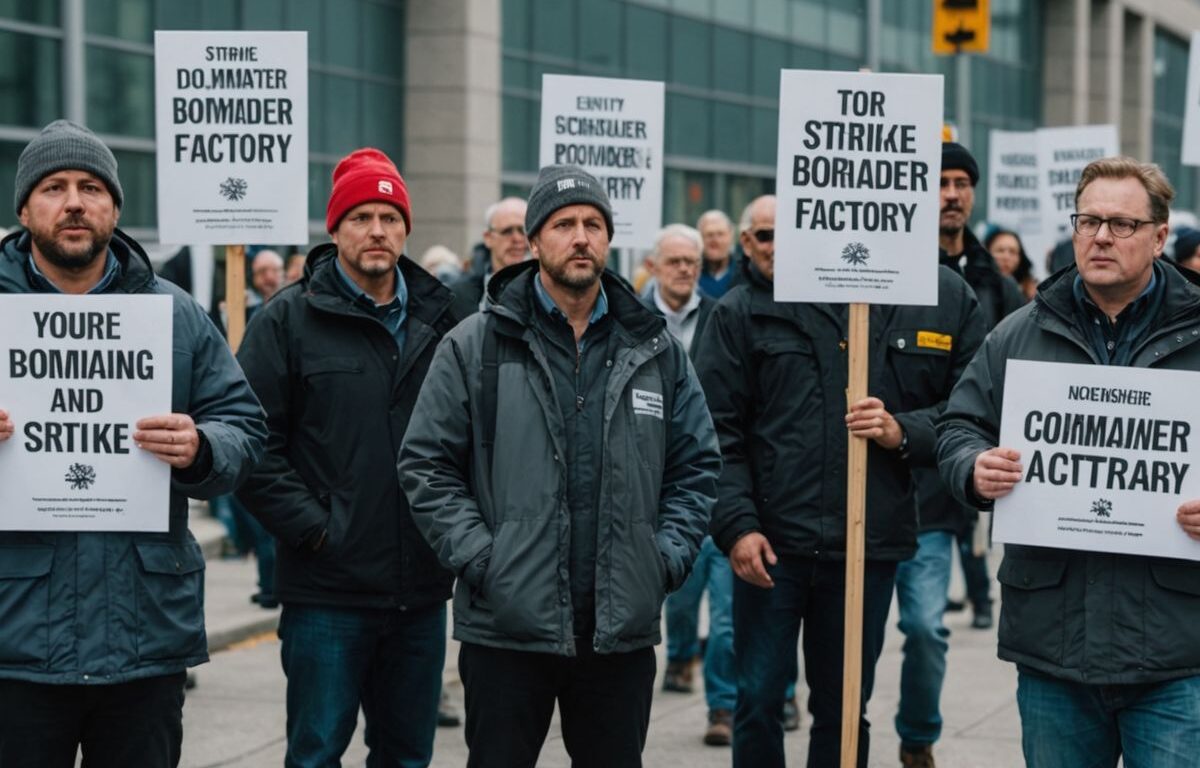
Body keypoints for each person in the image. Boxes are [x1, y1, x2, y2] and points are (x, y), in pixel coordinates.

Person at [398, 164, 721, 768]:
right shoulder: (475, 346)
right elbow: (426, 464)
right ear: (535, 239)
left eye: (594, 224)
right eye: (565, 224)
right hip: (506, 626)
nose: (581, 237)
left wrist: (664, 557)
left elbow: (696, 465)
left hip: (618, 628)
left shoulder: (655, 351)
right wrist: (482, 560)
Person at [0, 119, 266, 767]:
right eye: (54, 187)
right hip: (15, 638)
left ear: (115, 208)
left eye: (91, 187)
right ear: (24, 208)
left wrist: (200, 446)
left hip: (142, 637)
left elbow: (246, 429)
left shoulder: (174, 314)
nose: (73, 202)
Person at [695, 194, 984, 768]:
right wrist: (736, 526)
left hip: (867, 544)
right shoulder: (746, 309)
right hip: (771, 546)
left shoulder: (942, 296)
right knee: (755, 698)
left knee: (846, 705)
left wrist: (903, 430)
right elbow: (712, 432)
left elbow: (972, 411)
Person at [938, 156, 1200, 768]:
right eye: (1088, 221)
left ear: (1160, 237)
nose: (1101, 236)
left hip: (1175, 651)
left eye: (1121, 224)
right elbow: (959, 425)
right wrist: (974, 468)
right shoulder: (1016, 334)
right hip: (1054, 648)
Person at [235, 148, 459, 767]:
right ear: (334, 230)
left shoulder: (444, 319)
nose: (377, 230)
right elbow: (252, 443)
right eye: (361, 216)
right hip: (326, 592)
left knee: (408, 756)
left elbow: (471, 436)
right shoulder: (287, 320)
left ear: (406, 227)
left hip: (420, 590)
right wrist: (314, 529)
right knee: (315, 754)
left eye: (389, 216)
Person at [640, 223, 732, 745]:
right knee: (679, 590)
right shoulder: (628, 318)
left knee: (726, 616)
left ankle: (722, 705)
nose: (684, 270)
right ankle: (678, 657)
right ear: (653, 266)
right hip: (653, 482)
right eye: (674, 261)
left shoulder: (722, 319)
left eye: (692, 262)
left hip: (713, 478)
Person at [449, 197, 529, 318]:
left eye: (523, 231)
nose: (517, 239)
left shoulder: (546, 291)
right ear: (488, 237)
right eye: (507, 231)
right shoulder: (458, 296)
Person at [696, 209, 741, 299]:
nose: (715, 241)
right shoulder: (691, 274)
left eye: (720, 234)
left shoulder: (745, 273)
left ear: (731, 237)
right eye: (709, 235)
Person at [985, 228, 1037, 302]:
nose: (1006, 257)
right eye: (1000, 250)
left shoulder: (1032, 293)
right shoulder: (979, 290)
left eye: (1013, 252)